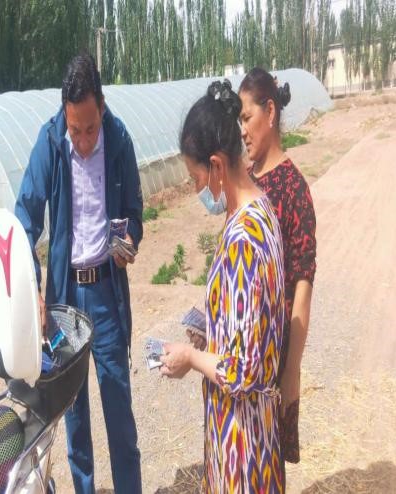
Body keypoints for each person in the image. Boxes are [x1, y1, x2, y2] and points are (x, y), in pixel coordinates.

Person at [15, 53, 143, 493]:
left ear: (101, 107)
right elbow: (24, 220)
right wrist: (32, 288)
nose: (84, 141)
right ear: (64, 115)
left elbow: (134, 213)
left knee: (119, 414)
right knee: (74, 417)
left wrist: (130, 240)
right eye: (76, 129)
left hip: (106, 295)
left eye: (90, 128)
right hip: (65, 298)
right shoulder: (51, 142)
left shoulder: (119, 140)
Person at [160, 80, 285, 493]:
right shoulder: (258, 209)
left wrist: (191, 357)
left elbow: (242, 370)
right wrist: (211, 330)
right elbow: (248, 324)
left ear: (216, 165)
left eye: (196, 177)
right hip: (250, 433)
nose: (197, 189)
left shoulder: (245, 240)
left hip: (242, 446)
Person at [239, 68, 317, 468]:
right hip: (243, 353)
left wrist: (291, 371)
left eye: (246, 118)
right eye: (239, 121)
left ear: (270, 112)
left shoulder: (293, 188)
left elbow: (302, 285)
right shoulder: (246, 181)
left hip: (274, 356)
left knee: (267, 467)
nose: (242, 131)